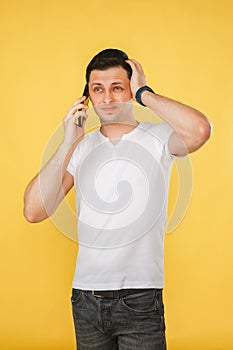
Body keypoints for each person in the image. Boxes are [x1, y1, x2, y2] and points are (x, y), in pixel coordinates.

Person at [24, 48, 211, 350]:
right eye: (98, 89)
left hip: (140, 298)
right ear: (87, 97)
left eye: (117, 88)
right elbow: (33, 211)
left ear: (131, 90)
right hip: (85, 298)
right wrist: (69, 141)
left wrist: (144, 93)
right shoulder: (80, 149)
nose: (107, 99)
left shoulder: (159, 139)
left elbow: (200, 130)